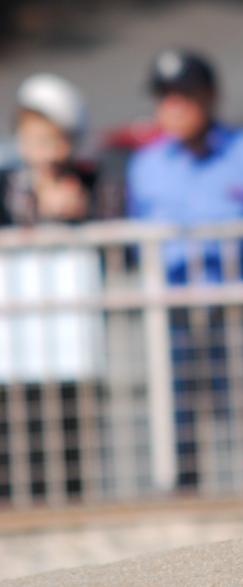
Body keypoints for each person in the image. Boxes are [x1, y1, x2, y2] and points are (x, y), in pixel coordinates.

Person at [126, 50, 243, 488]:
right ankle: (184, 492)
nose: (175, 106)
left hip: (240, 304)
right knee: (178, 407)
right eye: (165, 96)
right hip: (176, 310)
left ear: (211, 96)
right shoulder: (145, 166)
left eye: (186, 94)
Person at [0, 74, 114, 501]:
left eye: (54, 137)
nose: (45, 149)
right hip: (13, 345)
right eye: (34, 137)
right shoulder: (6, 185)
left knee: (71, 442)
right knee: (12, 441)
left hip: (71, 343)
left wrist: (79, 216)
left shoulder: (93, 184)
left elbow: (119, 244)